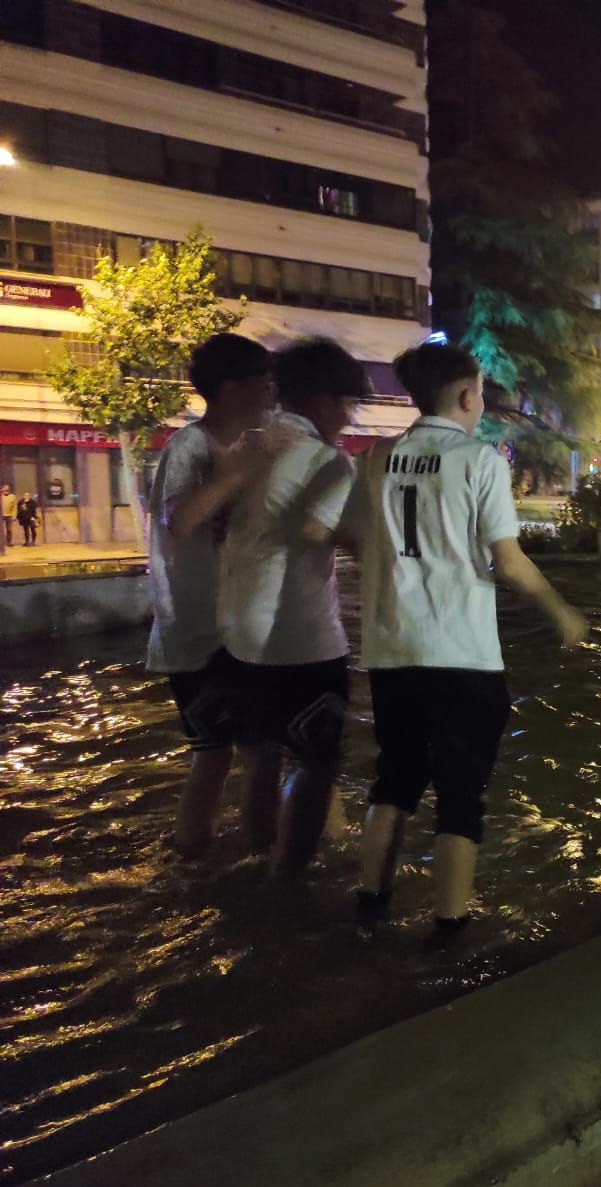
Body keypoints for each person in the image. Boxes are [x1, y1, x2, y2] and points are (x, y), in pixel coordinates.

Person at [348, 343, 587, 944]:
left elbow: (357, 541)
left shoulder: (375, 458)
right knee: (460, 795)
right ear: (465, 395)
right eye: (480, 390)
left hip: (392, 652)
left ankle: (367, 906)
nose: (481, 402)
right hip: (461, 654)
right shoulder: (479, 460)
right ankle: (449, 933)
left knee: (394, 780)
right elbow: (507, 561)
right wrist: (561, 611)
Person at [208, 338, 368, 875]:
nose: (348, 417)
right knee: (317, 762)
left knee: (261, 759)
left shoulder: (244, 450)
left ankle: (257, 861)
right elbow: (343, 537)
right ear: (322, 399)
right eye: (347, 404)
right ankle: (289, 885)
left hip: (236, 641)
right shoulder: (329, 463)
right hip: (303, 642)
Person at [146, 333, 279, 858]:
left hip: (233, 629)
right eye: (262, 384)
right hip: (201, 632)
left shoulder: (241, 448)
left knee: (234, 752)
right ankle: (244, 862)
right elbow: (179, 519)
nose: (271, 394)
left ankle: (208, 860)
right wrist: (244, 472)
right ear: (230, 388)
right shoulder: (191, 447)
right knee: (232, 752)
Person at [1, 483, 15, 547]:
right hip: (1, 515)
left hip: (9, 515)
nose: (6, 489)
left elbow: (14, 507)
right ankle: (2, 542)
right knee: (1, 530)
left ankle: (9, 542)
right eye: (5, 488)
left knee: (9, 530)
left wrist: (14, 515)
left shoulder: (12, 496)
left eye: (7, 488)